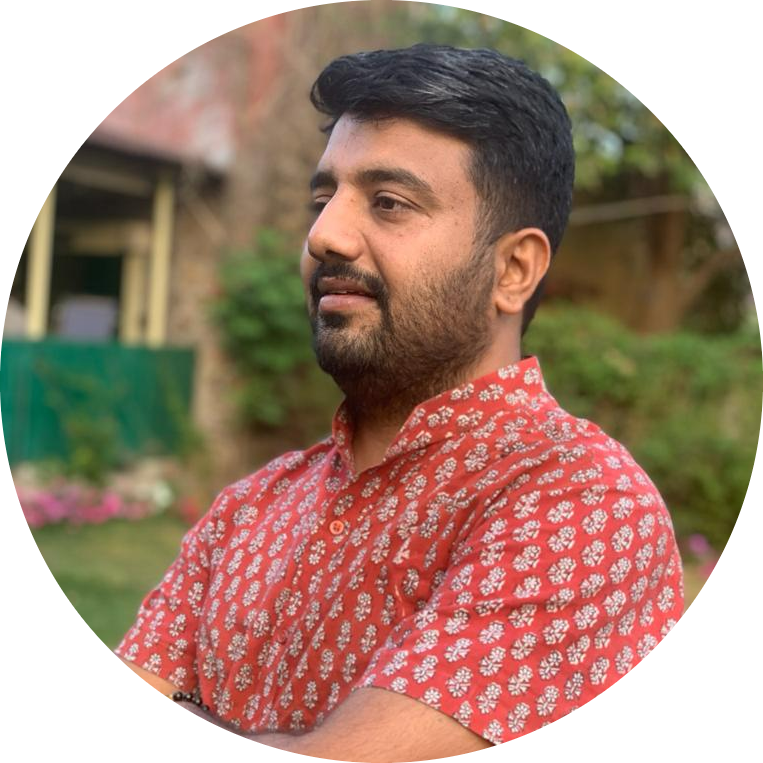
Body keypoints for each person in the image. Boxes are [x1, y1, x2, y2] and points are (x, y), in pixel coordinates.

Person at [116, 44, 684, 757]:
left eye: (388, 202)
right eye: (322, 200)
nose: (323, 235)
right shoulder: (249, 508)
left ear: (513, 269)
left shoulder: (583, 504)